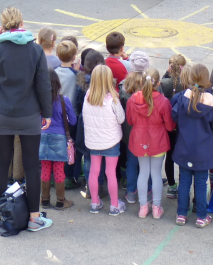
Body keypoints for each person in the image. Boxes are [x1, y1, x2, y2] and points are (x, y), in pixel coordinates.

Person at [0, 7, 54, 232]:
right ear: (21, 22)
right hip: (29, 115)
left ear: (3, 25)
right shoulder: (35, 49)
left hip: (2, 114)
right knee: (32, 166)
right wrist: (47, 112)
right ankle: (33, 218)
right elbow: (43, 84)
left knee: (2, 163)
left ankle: (4, 215)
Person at [171, 64, 213, 228]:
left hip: (184, 147)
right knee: (201, 183)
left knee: (184, 181)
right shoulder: (211, 100)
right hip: (203, 150)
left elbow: (174, 115)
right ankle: (201, 216)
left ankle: (181, 214)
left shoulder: (182, 97)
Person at [126, 68, 175, 219]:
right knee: (156, 173)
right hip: (158, 140)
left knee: (143, 172)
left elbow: (129, 121)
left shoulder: (133, 99)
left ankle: (143, 207)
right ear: (158, 83)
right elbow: (169, 126)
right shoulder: (163, 101)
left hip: (139, 139)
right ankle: (156, 208)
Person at [84, 64, 127, 215]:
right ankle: (114, 205)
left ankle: (95, 202)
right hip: (111, 140)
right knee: (110, 173)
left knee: (94, 171)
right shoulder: (113, 99)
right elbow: (121, 119)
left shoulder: (88, 95)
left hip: (93, 140)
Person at [39, 70, 77, 209]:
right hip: (59, 137)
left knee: (45, 167)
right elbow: (72, 120)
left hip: (42, 136)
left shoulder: (38, 100)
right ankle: (61, 200)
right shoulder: (63, 100)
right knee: (59, 169)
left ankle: (45, 199)